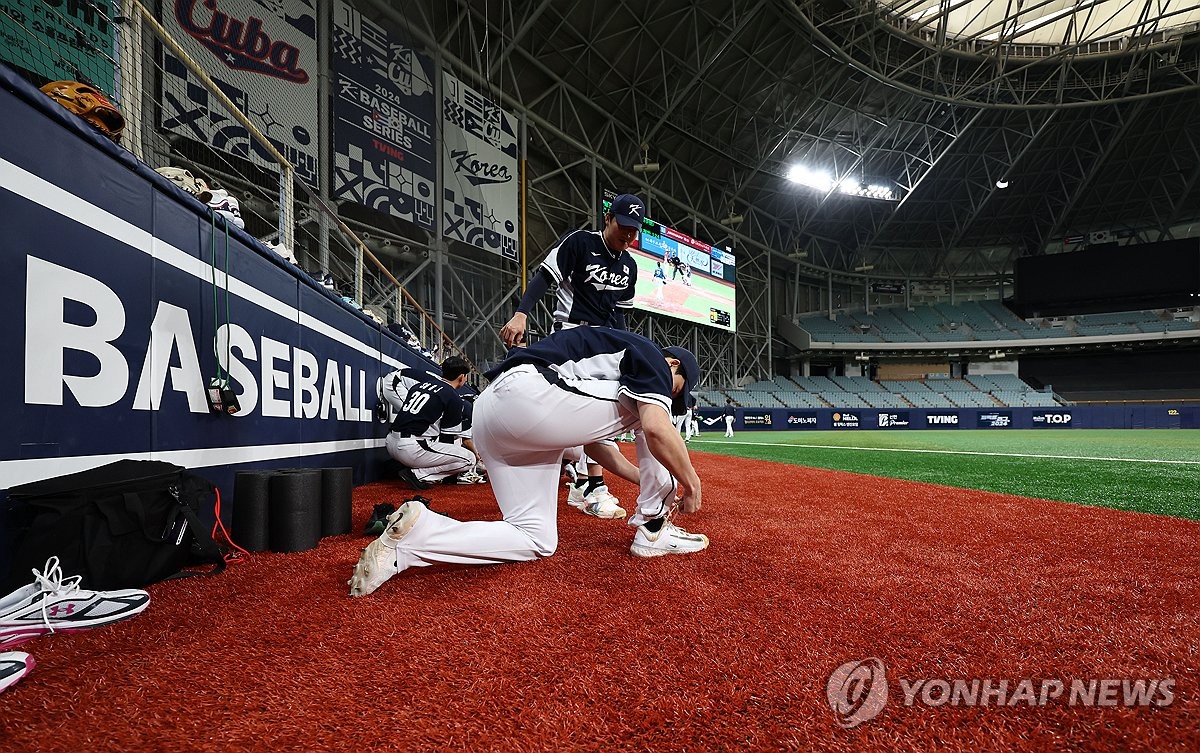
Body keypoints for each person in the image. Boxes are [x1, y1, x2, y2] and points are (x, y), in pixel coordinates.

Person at [349, 326, 708, 597]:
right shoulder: (649, 354)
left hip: (496, 416)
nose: (672, 393)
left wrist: (638, 479)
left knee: (535, 538)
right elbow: (657, 428)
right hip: (528, 394)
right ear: (673, 363)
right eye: (678, 387)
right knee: (653, 416)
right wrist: (690, 483)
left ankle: (414, 540)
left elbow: (596, 447)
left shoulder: (613, 368)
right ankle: (654, 528)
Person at [499, 193, 643, 519]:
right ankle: (585, 483)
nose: (628, 235)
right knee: (567, 409)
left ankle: (588, 483)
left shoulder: (630, 266)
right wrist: (521, 314)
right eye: (624, 226)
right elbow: (544, 278)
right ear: (608, 218)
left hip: (604, 342)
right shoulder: (580, 242)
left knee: (606, 408)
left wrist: (625, 347)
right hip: (570, 336)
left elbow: (620, 317)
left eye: (634, 231)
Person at [382, 356, 483, 489]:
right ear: (462, 377)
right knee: (469, 459)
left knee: (431, 433)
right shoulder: (453, 397)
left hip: (390, 442)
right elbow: (447, 438)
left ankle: (398, 466)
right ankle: (419, 474)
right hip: (410, 448)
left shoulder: (420, 385)